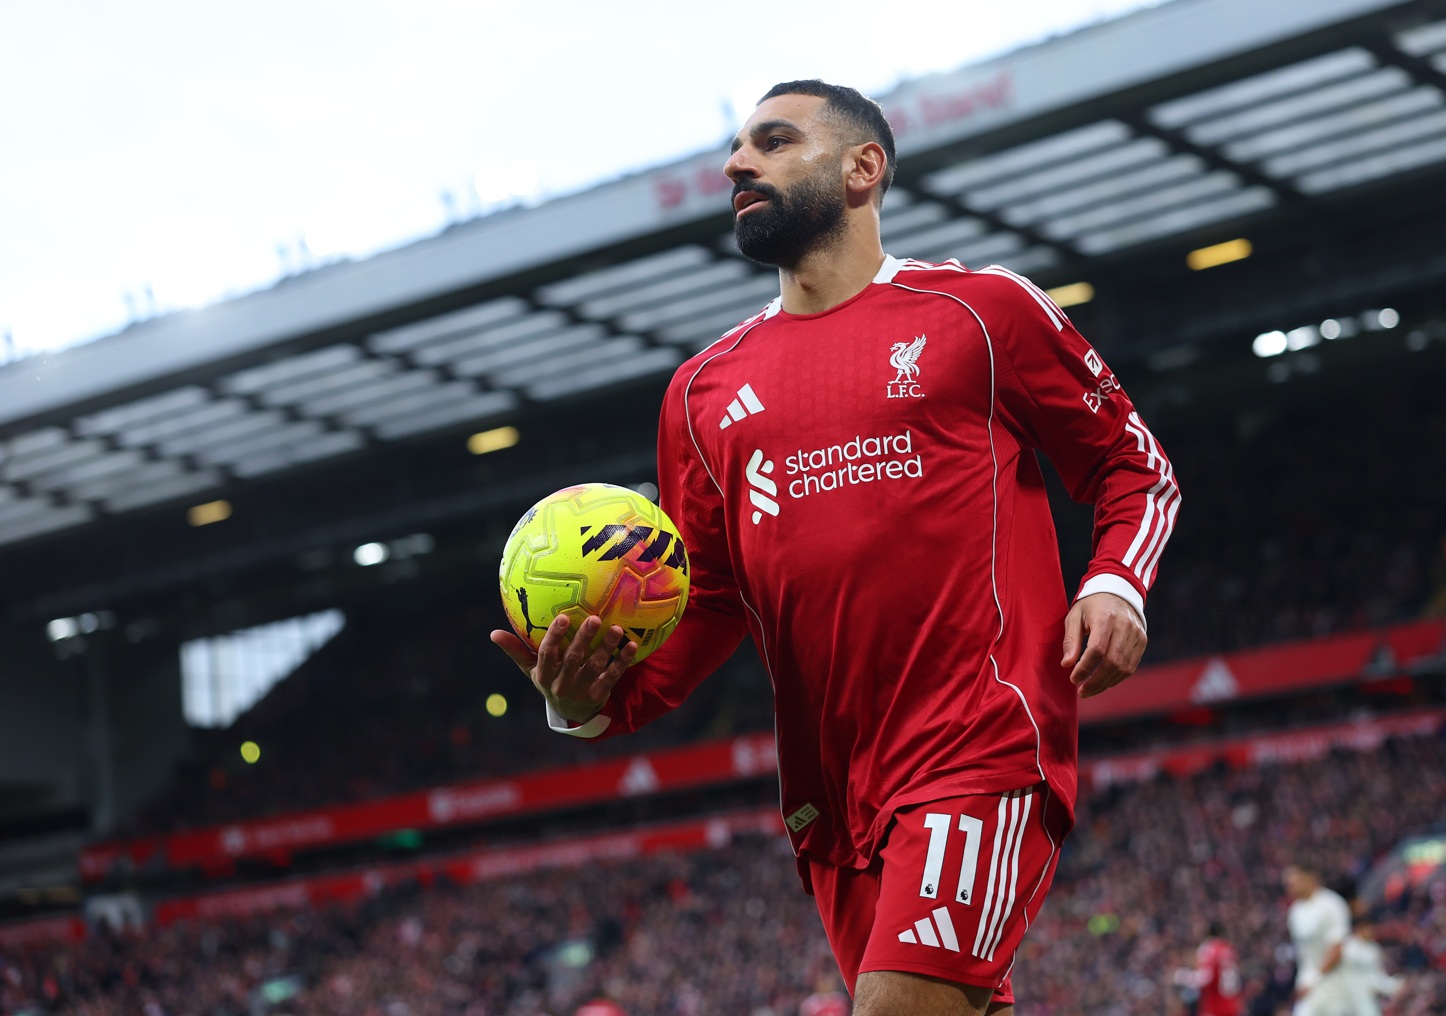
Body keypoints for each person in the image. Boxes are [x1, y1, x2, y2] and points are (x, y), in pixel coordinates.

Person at [493, 79, 1179, 1016]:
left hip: (978, 744)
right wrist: (588, 704)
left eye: (773, 142)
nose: (737, 164)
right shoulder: (699, 393)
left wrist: (1115, 583)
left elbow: (1133, 465)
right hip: (828, 794)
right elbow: (711, 598)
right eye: (738, 148)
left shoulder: (981, 313)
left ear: (864, 168)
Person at [1283, 862, 1353, 1016]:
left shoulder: (1332, 905)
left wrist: (1313, 979)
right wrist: (1304, 980)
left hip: (1333, 985)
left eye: (1294, 881)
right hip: (1308, 986)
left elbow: (1337, 949)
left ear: (1310, 878)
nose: (1289, 886)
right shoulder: (1295, 911)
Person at [1193, 921, 1244, 1016]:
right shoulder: (1230, 948)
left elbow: (1206, 978)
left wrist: (1182, 977)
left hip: (1215, 1003)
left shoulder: (1208, 948)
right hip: (1233, 1003)